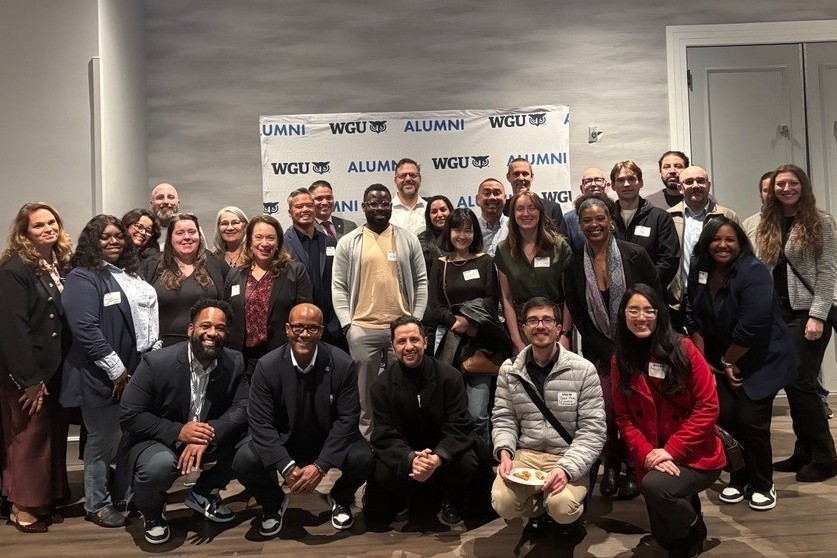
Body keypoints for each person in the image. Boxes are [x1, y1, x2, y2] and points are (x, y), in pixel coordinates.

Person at [233, 303, 373, 536]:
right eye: (298, 327)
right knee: (244, 460)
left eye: (312, 328)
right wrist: (285, 465)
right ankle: (273, 502)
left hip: (325, 439)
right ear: (287, 329)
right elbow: (260, 422)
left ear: (321, 331)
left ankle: (340, 497)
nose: (304, 334)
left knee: (364, 457)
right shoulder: (267, 366)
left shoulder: (342, 363)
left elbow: (348, 418)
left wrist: (321, 466)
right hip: (284, 439)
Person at [116, 298, 248, 545]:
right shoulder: (155, 363)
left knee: (253, 443)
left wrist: (207, 432)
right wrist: (180, 432)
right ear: (191, 329)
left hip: (204, 437)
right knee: (159, 466)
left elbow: (243, 406)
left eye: (220, 328)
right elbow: (130, 415)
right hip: (161, 439)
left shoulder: (234, 361)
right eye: (205, 326)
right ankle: (153, 513)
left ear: (227, 333)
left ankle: (203, 493)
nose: (212, 333)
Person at [686, 218, 798, 511]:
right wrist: (703, 360)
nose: (722, 245)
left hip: (761, 358)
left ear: (740, 243)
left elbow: (752, 326)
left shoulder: (753, 272)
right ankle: (738, 478)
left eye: (730, 240)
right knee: (725, 417)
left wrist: (727, 361)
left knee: (751, 420)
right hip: (719, 359)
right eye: (716, 239)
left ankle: (763, 482)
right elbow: (692, 313)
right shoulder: (700, 267)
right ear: (707, 242)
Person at [60, 214, 160, 528]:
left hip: (135, 371)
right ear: (92, 241)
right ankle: (96, 503)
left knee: (123, 438)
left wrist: (150, 360)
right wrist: (117, 370)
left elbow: (144, 320)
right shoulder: (83, 276)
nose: (114, 241)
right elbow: (85, 328)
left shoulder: (130, 273)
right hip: (102, 374)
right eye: (105, 236)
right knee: (102, 441)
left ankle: (121, 495)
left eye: (118, 235)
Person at [612, 284, 725, 558]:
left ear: (660, 313)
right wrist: (648, 453)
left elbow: (708, 406)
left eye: (649, 310)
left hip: (695, 452)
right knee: (663, 533)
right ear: (623, 315)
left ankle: (694, 529)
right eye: (634, 310)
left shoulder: (683, 348)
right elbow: (624, 417)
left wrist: (671, 450)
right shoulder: (620, 360)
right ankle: (686, 528)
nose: (642, 317)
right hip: (652, 455)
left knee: (657, 489)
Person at [563, 192, 661, 500]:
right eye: (587, 220)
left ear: (611, 222)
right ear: (579, 225)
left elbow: (654, 301)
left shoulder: (635, 255)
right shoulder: (573, 263)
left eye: (600, 219)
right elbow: (576, 309)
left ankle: (635, 467)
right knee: (604, 411)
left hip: (638, 349)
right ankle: (613, 465)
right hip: (599, 352)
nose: (595, 225)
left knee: (636, 409)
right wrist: (600, 345)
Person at [491, 297, 605, 536]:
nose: (539, 326)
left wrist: (566, 469)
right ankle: (538, 512)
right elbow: (504, 418)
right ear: (523, 328)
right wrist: (504, 451)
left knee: (562, 507)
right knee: (502, 503)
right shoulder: (509, 370)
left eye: (547, 320)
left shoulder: (583, 370)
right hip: (526, 454)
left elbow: (592, 431)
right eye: (532, 320)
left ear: (558, 328)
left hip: (566, 454)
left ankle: (559, 515)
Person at [365, 316, 492, 525]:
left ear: (425, 342)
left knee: (468, 463)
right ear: (392, 346)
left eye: (414, 340)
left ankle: (450, 497)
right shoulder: (381, 385)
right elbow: (384, 431)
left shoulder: (450, 376)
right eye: (401, 341)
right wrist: (411, 458)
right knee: (381, 472)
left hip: (444, 448)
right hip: (408, 450)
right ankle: (406, 497)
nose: (408, 347)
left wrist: (438, 457)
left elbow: (459, 424)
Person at [755, 164, 837, 482]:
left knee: (802, 382)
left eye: (792, 183)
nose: (786, 189)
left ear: (802, 186)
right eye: (780, 184)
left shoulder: (821, 221)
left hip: (809, 313)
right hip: (779, 313)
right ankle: (803, 452)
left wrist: (817, 314)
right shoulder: (769, 221)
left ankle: (825, 456)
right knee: (792, 383)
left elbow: (828, 271)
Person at [332, 184, 427, 438]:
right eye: (373, 203)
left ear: (390, 207)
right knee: (366, 395)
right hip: (363, 327)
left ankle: (404, 439)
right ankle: (369, 441)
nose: (379, 208)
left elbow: (421, 281)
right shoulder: (348, 242)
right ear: (363, 207)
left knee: (405, 389)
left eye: (384, 203)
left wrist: (415, 320)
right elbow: (338, 286)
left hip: (402, 328)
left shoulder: (407, 239)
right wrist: (347, 325)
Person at [0, 202, 73, 533]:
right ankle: (22, 506)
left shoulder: (54, 265)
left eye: (52, 222)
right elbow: (14, 330)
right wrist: (29, 379)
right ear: (24, 232)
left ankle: (45, 498)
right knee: (28, 439)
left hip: (53, 368)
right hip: (26, 374)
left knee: (50, 436)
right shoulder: (15, 271)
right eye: (39, 225)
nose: (48, 228)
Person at [424, 208, 508, 444]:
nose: (463, 235)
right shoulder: (441, 265)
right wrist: (456, 323)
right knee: (450, 411)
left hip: (481, 343)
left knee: (478, 414)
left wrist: (471, 323)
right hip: (449, 343)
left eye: (468, 229)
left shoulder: (485, 262)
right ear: (449, 232)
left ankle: (482, 462)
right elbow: (434, 306)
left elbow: (492, 300)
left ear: (475, 232)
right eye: (457, 229)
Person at [226, 215, 313, 374]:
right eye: (258, 237)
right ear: (250, 241)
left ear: (278, 242)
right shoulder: (235, 275)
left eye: (270, 238)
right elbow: (228, 316)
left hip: (281, 356)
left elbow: (304, 316)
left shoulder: (295, 271)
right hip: (243, 360)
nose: (264, 243)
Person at [495, 190, 573, 356]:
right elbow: (506, 298)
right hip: (523, 327)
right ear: (513, 214)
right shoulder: (503, 250)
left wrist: (565, 334)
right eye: (520, 209)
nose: (526, 214)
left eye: (531, 208)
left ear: (540, 212)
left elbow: (569, 295)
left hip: (554, 326)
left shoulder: (559, 246)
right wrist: (516, 340)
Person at [666, 166, 739, 330]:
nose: (695, 185)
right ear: (680, 187)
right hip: (679, 300)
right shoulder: (667, 217)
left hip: (718, 295)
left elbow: (742, 256)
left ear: (709, 185)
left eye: (700, 181)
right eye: (689, 182)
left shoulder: (727, 216)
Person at [144, 213, 228, 347]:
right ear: (170, 238)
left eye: (192, 232)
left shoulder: (216, 264)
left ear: (199, 236)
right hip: (163, 348)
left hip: (207, 345)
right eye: (180, 233)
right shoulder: (152, 265)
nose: (187, 237)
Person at [283, 189, 341, 349]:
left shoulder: (330, 242)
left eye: (309, 205)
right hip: (300, 328)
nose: (305, 210)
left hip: (331, 326)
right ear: (290, 212)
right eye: (299, 206)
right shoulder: (282, 246)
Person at [611, 160, 680, 289]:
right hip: (614, 294)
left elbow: (669, 260)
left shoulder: (660, 217)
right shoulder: (607, 218)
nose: (626, 184)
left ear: (640, 183)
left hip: (650, 295)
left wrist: (644, 287)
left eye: (631, 179)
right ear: (613, 186)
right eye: (620, 180)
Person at [503, 157, 567, 236]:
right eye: (516, 174)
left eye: (525, 174)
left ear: (532, 177)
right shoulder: (502, 209)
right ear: (508, 177)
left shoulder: (552, 208)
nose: (521, 178)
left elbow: (563, 244)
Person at [563, 167, 611, 252]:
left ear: (607, 186)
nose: (593, 184)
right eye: (588, 181)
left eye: (598, 180)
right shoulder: (569, 219)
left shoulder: (618, 214)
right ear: (582, 188)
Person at [389, 158, 427, 235]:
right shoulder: (386, 210)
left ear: (420, 179)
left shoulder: (429, 210)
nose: (408, 179)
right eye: (403, 176)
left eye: (413, 175)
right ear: (395, 181)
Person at [417, 195, 453, 272]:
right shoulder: (421, 241)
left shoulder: (460, 238)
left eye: (443, 210)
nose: (439, 215)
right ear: (428, 216)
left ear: (450, 212)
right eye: (434, 212)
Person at [474, 178, 508, 257]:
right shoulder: (471, 228)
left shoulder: (515, 226)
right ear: (477, 199)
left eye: (497, 193)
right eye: (487, 193)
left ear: (505, 198)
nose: (492, 197)